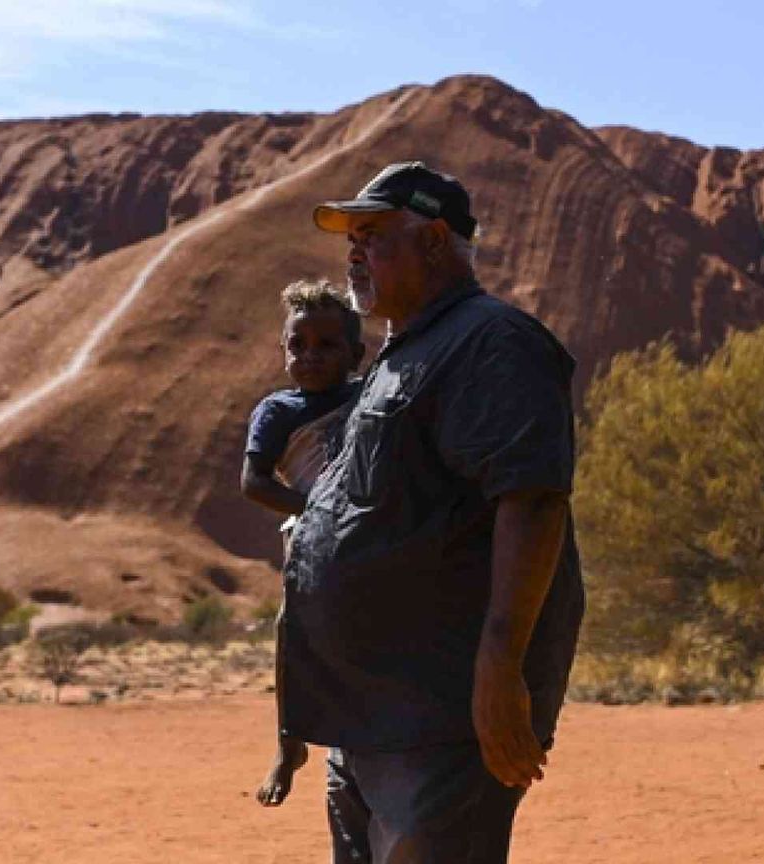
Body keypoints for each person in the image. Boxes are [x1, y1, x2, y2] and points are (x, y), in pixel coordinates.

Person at [283, 161, 585, 863]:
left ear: (436, 240)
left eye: (374, 235)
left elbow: (533, 502)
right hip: (372, 718)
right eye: (350, 240)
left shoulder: (492, 342)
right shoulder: (401, 355)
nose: (354, 254)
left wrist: (501, 670)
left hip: (443, 718)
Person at [240, 280, 365, 810]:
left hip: (372, 527)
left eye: (326, 345)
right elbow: (255, 482)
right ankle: (289, 742)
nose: (309, 356)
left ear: (356, 354)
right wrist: (314, 511)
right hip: (311, 533)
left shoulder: (370, 394)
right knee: (292, 629)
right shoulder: (278, 411)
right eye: (298, 346)